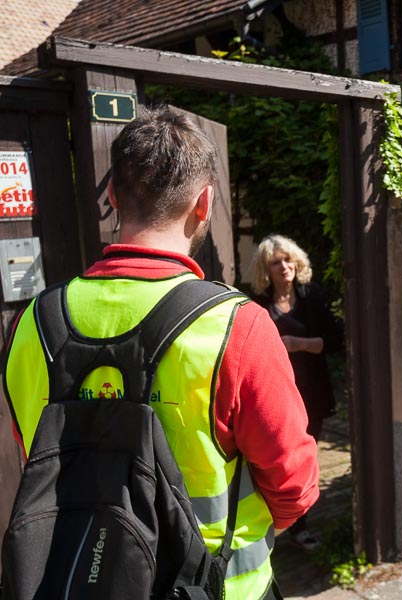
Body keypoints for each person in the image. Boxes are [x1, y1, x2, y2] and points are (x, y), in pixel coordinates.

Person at [4, 107, 320, 600]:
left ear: (111, 196)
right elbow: (293, 484)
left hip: (71, 582)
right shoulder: (237, 326)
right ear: (204, 203)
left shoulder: (33, 325)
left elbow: (36, 455)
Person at [250, 234, 343, 549]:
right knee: (273, 457)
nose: (284, 267)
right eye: (276, 262)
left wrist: (298, 344)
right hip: (272, 395)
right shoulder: (259, 304)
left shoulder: (313, 297)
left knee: (305, 457)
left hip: (310, 394)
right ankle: (274, 521)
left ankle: (301, 525)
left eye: (288, 259)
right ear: (266, 269)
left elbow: (335, 341)